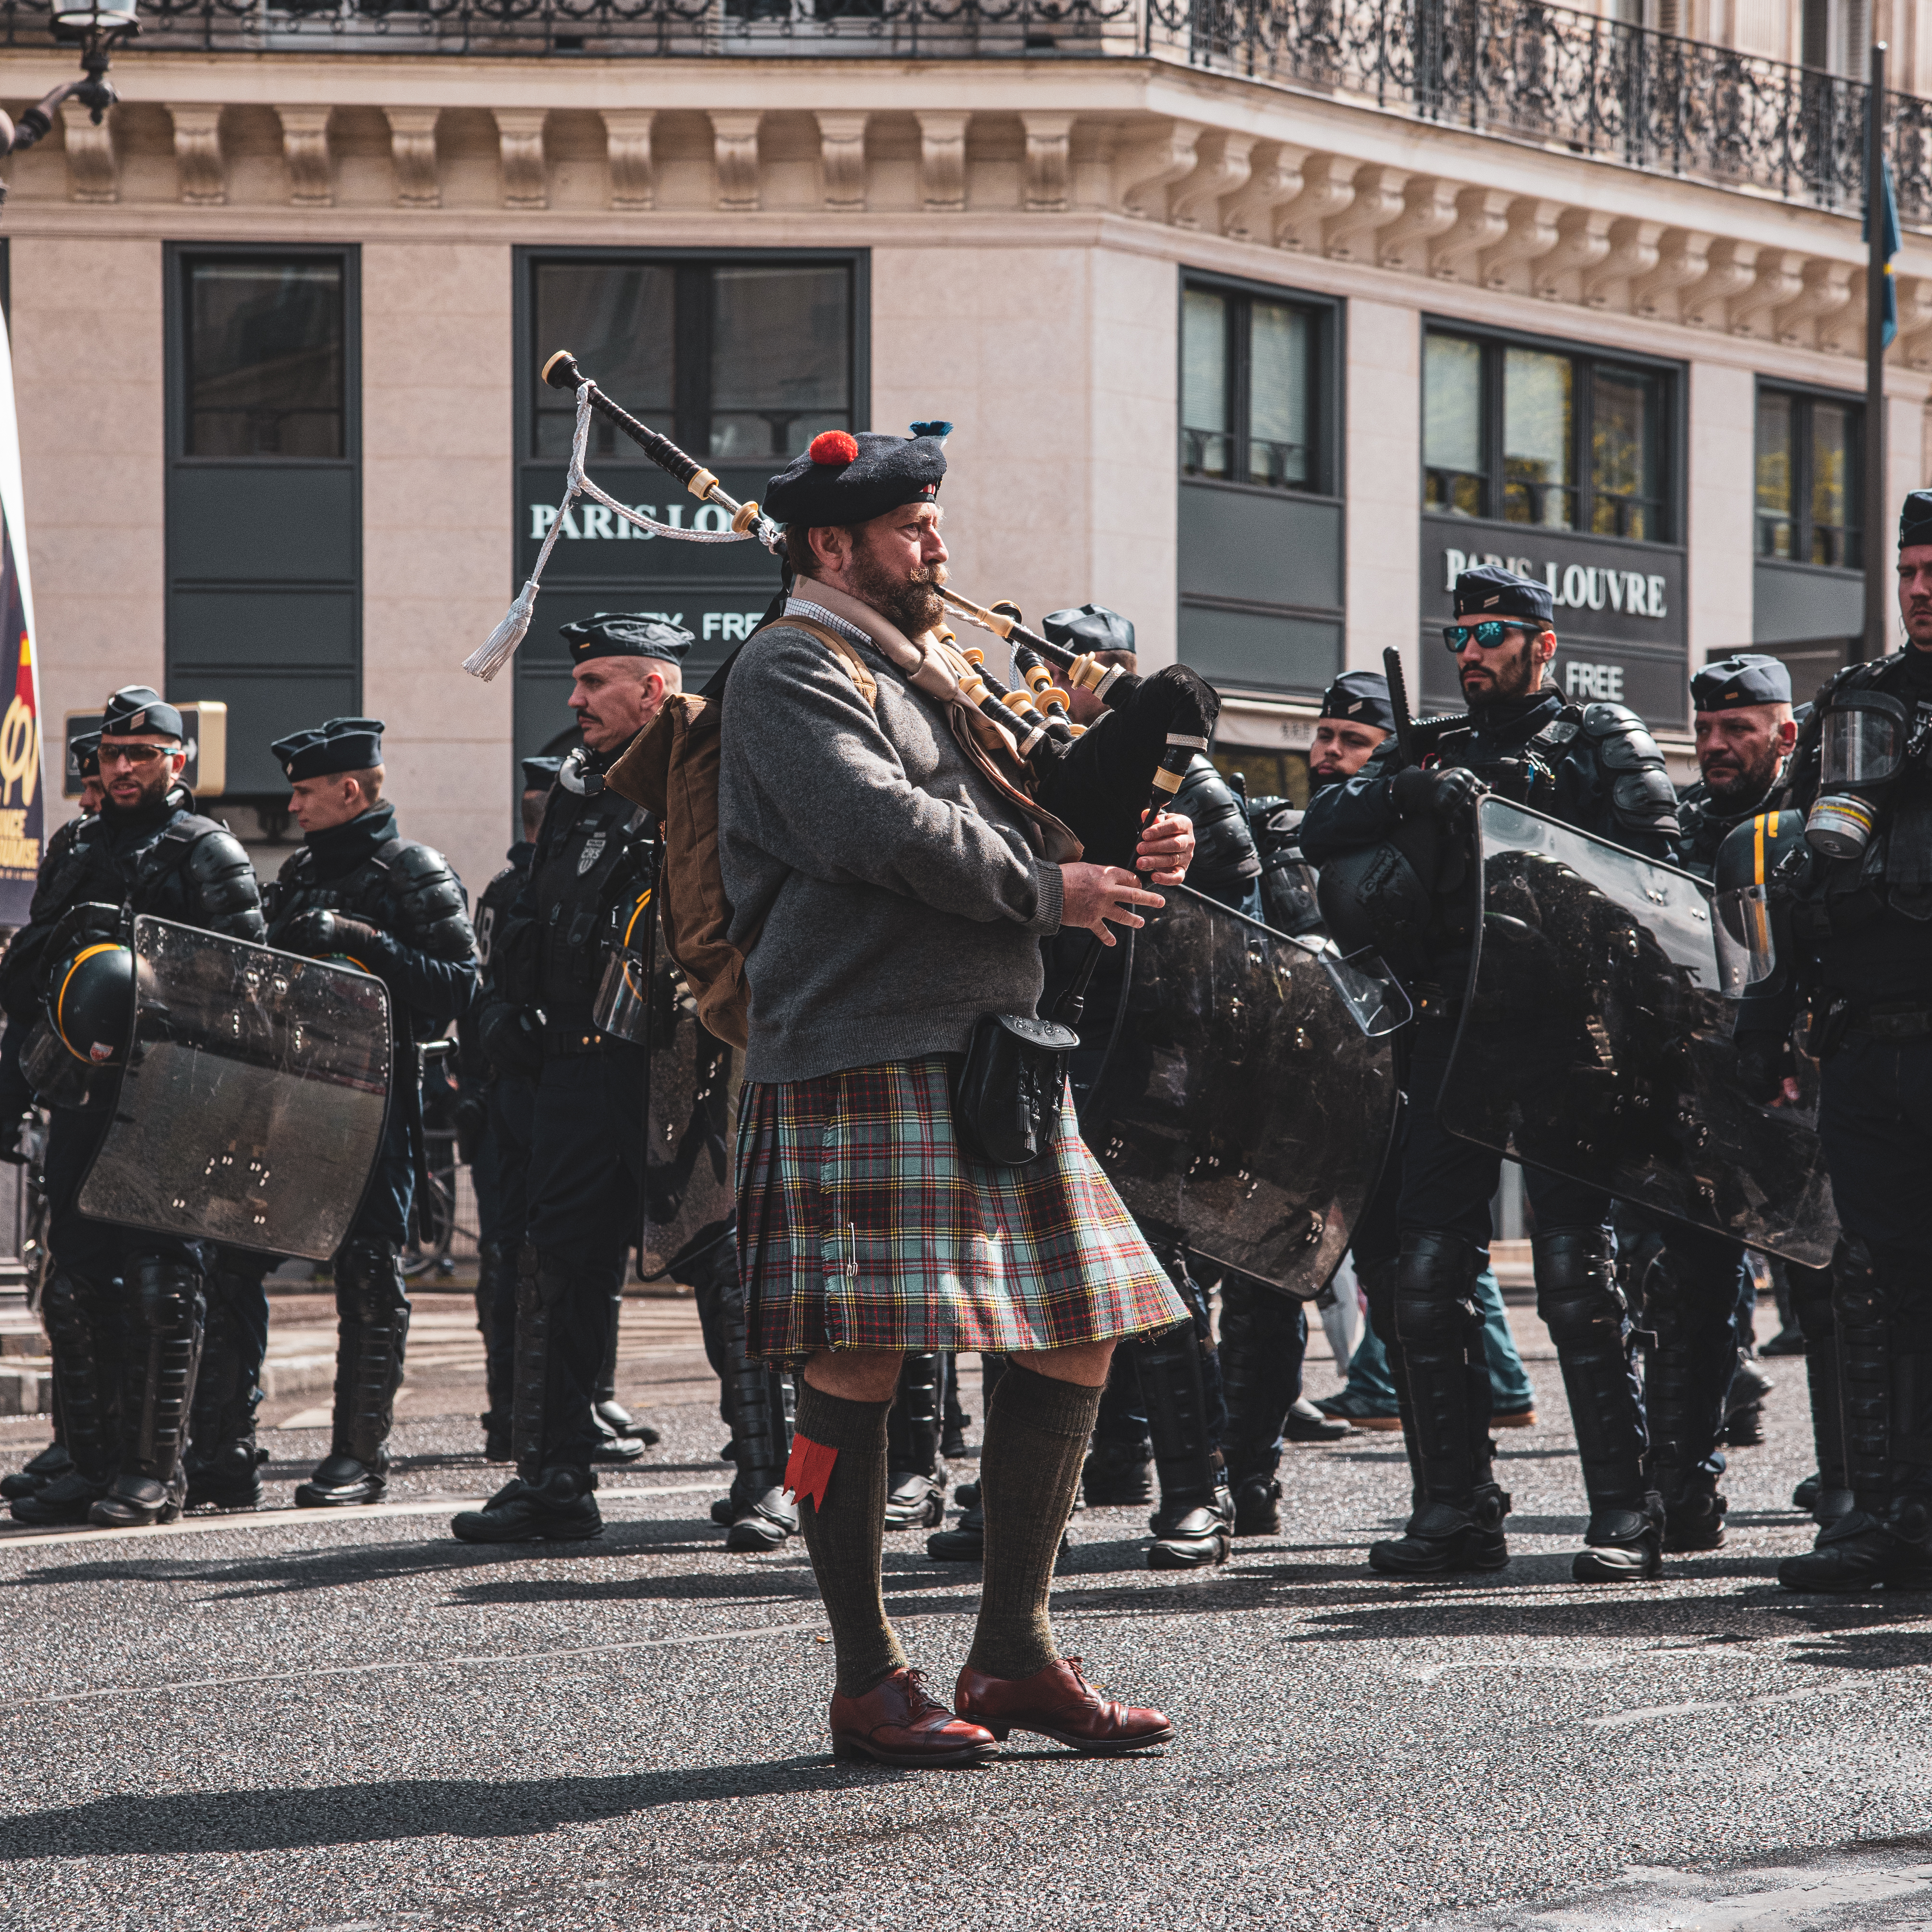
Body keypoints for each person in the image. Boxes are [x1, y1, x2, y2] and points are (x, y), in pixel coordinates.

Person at [719, 424, 1201, 1766]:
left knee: (1080, 1327)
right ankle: (867, 1677)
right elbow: (880, 828)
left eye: (934, 519)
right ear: (833, 545)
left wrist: (1127, 840)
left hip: (988, 1045)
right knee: (856, 1356)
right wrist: (1052, 890)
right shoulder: (790, 668)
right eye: (911, 526)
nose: (938, 543)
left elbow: (1012, 807)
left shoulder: (920, 667)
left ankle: (1014, 1656)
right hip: (858, 1048)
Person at [1302, 565, 1680, 1581]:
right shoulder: (1431, 749)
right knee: (1425, 1277)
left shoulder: (1599, 738)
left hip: (1561, 1039)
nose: (1469, 652)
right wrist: (1404, 788)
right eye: (1458, 636)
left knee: (1575, 1278)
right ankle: (1456, 1511)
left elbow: (1663, 879)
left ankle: (1626, 1512)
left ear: (1542, 644)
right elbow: (1318, 826)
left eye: (1491, 634)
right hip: (1448, 1036)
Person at [1037, 605, 1270, 1571]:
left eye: (1084, 662)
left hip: (1149, 1045)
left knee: (1155, 1270)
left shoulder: (1188, 779)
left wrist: (1178, 849)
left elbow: (1237, 915)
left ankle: (1197, 1492)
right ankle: (1048, 1488)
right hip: (1052, 1031)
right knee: (1037, 1266)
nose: (1062, 677)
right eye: (1052, 659)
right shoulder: (1041, 754)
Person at [5, 687, 264, 1527]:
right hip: (80, 1093)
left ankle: (155, 1473)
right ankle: (89, 1464)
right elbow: (33, 981)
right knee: (74, 1281)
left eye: (142, 755)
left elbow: (247, 990)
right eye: (112, 755)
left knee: (162, 1284)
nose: (123, 768)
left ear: (177, 761)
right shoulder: (76, 846)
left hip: (172, 1100)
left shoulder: (208, 851)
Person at [451, 615, 682, 1543]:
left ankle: (764, 1480)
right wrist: (505, 1010)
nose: (575, 699)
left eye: (595, 682)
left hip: (674, 1070)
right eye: (577, 681)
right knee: (558, 1269)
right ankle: (553, 1479)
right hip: (577, 1072)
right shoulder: (579, 790)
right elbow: (537, 919)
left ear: (652, 690)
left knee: (726, 1269)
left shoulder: (704, 775)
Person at [1742, 490, 1932, 1592]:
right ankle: (1886, 1515)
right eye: (1908, 570)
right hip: (1863, 1046)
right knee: (1873, 1282)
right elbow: (1797, 872)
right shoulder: (1859, 700)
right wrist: (1765, 1025)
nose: (1918, 589)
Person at [1604, 653, 1797, 1554]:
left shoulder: (1819, 824)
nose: (1716, 744)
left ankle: (1862, 1493)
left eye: (1738, 729)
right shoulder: (1672, 828)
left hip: (1806, 1096)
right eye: (1707, 729)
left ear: (1783, 734)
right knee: (1681, 1292)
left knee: (1844, 1299)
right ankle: (1682, 1491)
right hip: (1699, 1099)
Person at [263, 717, 478, 1508]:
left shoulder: (413, 870)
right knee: (237, 1255)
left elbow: (462, 987)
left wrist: (364, 939)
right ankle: (220, 1450)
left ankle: (358, 1454)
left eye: (305, 791)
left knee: (368, 1268)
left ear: (350, 790)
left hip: (377, 1097)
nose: (292, 806)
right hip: (292, 1093)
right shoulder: (298, 874)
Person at [468, 754, 559, 1463]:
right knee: (550, 1254)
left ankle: (512, 1411)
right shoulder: (541, 886)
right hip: (543, 1090)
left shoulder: (499, 890)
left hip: (498, 1093)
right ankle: (546, 1412)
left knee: (506, 1253)